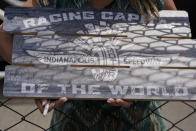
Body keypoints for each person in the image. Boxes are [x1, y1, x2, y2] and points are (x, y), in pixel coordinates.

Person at [0, 0, 177, 130]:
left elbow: (177, 38)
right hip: (73, 122)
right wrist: (38, 77)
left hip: (140, 122)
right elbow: (4, 36)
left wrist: (150, 85)